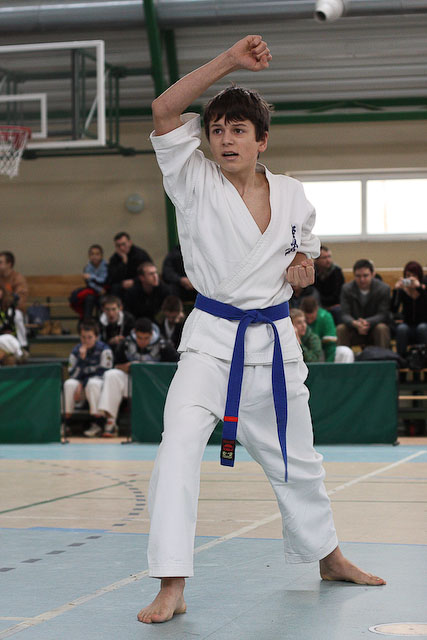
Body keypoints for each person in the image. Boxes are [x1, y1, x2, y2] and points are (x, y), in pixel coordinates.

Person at [138, 35, 385, 626]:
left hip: (273, 346)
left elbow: (304, 256)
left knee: (299, 460)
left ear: (261, 140)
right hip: (209, 345)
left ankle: (329, 557)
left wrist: (302, 270)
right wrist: (228, 61)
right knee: (176, 451)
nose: (225, 139)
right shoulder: (191, 178)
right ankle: (172, 581)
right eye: (217, 130)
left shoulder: (294, 195)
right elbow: (164, 109)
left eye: (238, 130)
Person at [98, 317, 179, 436]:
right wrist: (127, 367)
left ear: (152, 334)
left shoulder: (163, 345)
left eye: (146, 338)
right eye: (139, 338)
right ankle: (110, 422)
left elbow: (174, 367)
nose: (143, 342)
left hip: (154, 385)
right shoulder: (126, 343)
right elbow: (115, 365)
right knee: (111, 375)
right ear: (135, 333)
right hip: (132, 382)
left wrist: (151, 368)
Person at [63, 320, 113, 437]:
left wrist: (82, 384)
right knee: (69, 384)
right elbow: (72, 374)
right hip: (81, 388)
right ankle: (65, 423)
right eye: (83, 337)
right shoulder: (76, 351)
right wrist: (82, 359)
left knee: (93, 383)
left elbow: (104, 372)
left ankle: (98, 423)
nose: (86, 340)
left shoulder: (105, 350)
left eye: (89, 337)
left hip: (97, 387)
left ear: (96, 337)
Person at [337, 259, 391, 350]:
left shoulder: (383, 289)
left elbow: (383, 314)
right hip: (354, 328)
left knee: (382, 328)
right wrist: (355, 323)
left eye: (365, 275)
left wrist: (366, 322)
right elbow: (344, 314)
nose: (362, 279)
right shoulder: (346, 289)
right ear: (354, 275)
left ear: (373, 274)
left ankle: (383, 356)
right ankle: (343, 358)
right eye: (358, 276)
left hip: (374, 327)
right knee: (341, 329)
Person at [301, 296, 354, 363]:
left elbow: (330, 345)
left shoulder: (325, 317)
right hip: (302, 354)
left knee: (345, 352)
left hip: (322, 353)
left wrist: (328, 365)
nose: (309, 321)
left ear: (317, 309)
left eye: (311, 318)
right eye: (306, 318)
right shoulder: (297, 317)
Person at [391, 260, 427, 357]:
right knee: (401, 329)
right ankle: (401, 360)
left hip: (424, 325)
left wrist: (419, 288)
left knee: (422, 328)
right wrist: (396, 291)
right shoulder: (403, 291)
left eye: (414, 276)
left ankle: (424, 359)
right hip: (408, 325)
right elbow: (393, 310)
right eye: (408, 276)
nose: (410, 279)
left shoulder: (423, 289)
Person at [106, 232, 152, 297]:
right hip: (121, 286)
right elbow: (112, 277)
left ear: (130, 243)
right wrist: (123, 263)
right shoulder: (114, 258)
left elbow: (149, 273)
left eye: (123, 244)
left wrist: (134, 281)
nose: (121, 248)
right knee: (114, 289)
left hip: (138, 284)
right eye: (118, 246)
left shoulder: (140, 255)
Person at [69, 244, 108, 320]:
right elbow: (90, 283)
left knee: (103, 300)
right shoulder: (87, 268)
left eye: (97, 254)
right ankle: (87, 322)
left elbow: (104, 280)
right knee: (89, 298)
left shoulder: (106, 266)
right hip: (94, 291)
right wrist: (99, 289)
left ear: (101, 255)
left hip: (105, 291)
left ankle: (103, 323)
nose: (94, 256)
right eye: (92, 254)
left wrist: (91, 276)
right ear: (89, 256)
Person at [314, 245, 345, 325]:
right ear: (316, 260)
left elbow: (339, 293)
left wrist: (328, 306)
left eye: (329, 257)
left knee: (337, 311)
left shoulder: (336, 271)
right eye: (324, 258)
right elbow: (311, 291)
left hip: (334, 304)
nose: (328, 260)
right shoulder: (312, 271)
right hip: (317, 304)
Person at [0, 285, 24, 365]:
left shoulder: (9, 305)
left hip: (8, 333)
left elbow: (9, 322)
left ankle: (21, 350)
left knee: (18, 315)